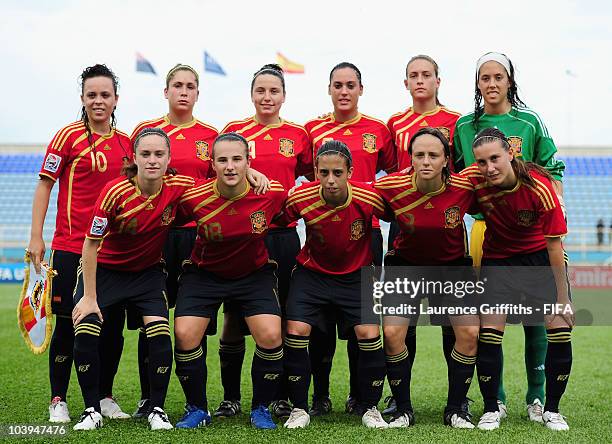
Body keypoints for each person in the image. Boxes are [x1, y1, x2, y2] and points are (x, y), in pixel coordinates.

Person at [453, 52, 566, 421]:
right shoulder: (464, 125)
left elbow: (553, 167)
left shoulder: (529, 121)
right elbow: (457, 177)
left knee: (538, 317)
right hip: (488, 229)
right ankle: (495, 398)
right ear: (477, 84)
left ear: (510, 81)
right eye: (484, 77)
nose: (491, 83)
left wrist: (550, 207)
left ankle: (537, 397)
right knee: (492, 320)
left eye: (498, 76)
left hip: (532, 226)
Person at [71, 127, 195, 431]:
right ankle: (91, 410)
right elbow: (90, 244)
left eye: (159, 154)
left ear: (168, 159)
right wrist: (89, 296)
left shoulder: (179, 186)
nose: (152, 160)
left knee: (160, 334)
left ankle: (157, 410)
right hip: (104, 271)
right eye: (145, 154)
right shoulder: (115, 192)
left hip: (148, 274)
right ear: (134, 158)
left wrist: (254, 174)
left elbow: (220, 185)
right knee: (86, 329)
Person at [29, 64, 130, 423]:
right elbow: (45, 185)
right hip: (71, 247)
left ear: (116, 99)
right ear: (83, 99)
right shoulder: (66, 137)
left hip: (113, 253)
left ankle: (104, 396)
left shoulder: (127, 144)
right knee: (69, 325)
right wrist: (36, 236)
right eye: (92, 95)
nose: (98, 101)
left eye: (105, 94)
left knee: (111, 325)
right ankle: (59, 398)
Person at [214, 64, 312, 419]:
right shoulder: (235, 131)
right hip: (240, 238)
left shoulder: (298, 134)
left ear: (284, 96)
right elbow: (220, 171)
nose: (267, 97)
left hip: (282, 235)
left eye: (274, 91)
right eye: (261, 91)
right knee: (233, 317)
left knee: (282, 315)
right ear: (251, 94)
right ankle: (230, 397)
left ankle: (281, 395)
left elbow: (315, 177)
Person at [461, 127, 573, 431]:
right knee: (490, 332)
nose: (489, 168)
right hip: (498, 261)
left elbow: (554, 246)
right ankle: (491, 408)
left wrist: (562, 300)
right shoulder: (475, 181)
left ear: (511, 153)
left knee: (560, 328)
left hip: (539, 260)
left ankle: (551, 409)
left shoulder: (539, 186)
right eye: (482, 162)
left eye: (495, 158)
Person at [173, 133, 286, 430]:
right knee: (184, 335)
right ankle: (197, 408)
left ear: (249, 162)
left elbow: (291, 210)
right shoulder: (194, 197)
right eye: (222, 160)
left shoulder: (271, 192)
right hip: (204, 274)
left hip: (254, 274)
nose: (230, 166)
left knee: (272, 335)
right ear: (212, 164)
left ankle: (260, 408)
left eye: (237, 159)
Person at [304, 62, 396, 415]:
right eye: (338, 85)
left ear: (361, 89)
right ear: (329, 89)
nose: (344, 91)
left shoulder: (378, 129)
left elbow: (394, 172)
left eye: (350, 85)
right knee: (321, 323)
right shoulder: (312, 129)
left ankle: (361, 397)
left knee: (363, 320)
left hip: (366, 235)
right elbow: (301, 173)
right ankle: (320, 396)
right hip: (323, 237)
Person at [129, 63, 218, 419]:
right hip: (154, 236)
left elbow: (223, 181)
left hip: (196, 237)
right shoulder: (147, 132)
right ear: (165, 91)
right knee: (151, 318)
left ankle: (195, 400)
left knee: (194, 320)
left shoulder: (212, 135)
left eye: (190, 86)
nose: (184, 91)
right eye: (177, 85)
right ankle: (148, 397)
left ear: (198, 93)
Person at [374, 127, 480, 428]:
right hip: (406, 266)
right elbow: (352, 190)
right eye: (419, 154)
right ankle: (403, 409)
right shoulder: (391, 185)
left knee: (470, 334)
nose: (426, 161)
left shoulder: (465, 186)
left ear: (447, 159)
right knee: (393, 335)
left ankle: (457, 408)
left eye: (433, 155)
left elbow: (502, 184)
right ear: (411, 159)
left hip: (452, 268)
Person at [281, 140, 389, 429]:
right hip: (312, 274)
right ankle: (299, 408)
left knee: (368, 332)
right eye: (324, 172)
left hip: (356, 276)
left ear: (350, 172)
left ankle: (370, 407)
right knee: (296, 330)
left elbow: (398, 211)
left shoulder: (370, 197)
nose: (330, 180)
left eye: (338, 173)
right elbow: (276, 218)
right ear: (315, 171)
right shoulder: (300, 197)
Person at [383, 54, 462, 416]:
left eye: (426, 74)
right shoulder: (394, 122)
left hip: (445, 227)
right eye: (413, 75)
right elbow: (386, 172)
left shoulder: (456, 121)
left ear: (437, 80)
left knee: (455, 324)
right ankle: (399, 401)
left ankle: (459, 401)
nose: (420, 80)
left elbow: (462, 174)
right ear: (405, 83)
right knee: (401, 324)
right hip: (405, 225)